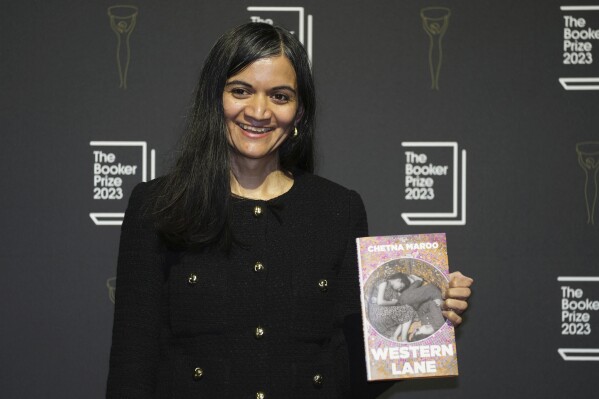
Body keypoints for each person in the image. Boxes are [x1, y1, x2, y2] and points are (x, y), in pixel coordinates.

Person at [106, 22, 473, 399]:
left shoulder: (339, 210)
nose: (259, 111)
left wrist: (429, 314)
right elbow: (131, 369)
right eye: (241, 91)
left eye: (280, 96)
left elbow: (350, 375)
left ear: (299, 113)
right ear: (215, 99)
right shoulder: (158, 205)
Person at [367, 273, 417, 342]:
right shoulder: (384, 282)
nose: (400, 289)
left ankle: (395, 337)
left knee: (411, 312)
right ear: (398, 280)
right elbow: (380, 302)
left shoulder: (395, 292)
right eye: (401, 287)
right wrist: (393, 302)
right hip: (377, 313)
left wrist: (394, 301)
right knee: (408, 309)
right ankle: (403, 339)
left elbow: (397, 309)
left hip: (383, 318)